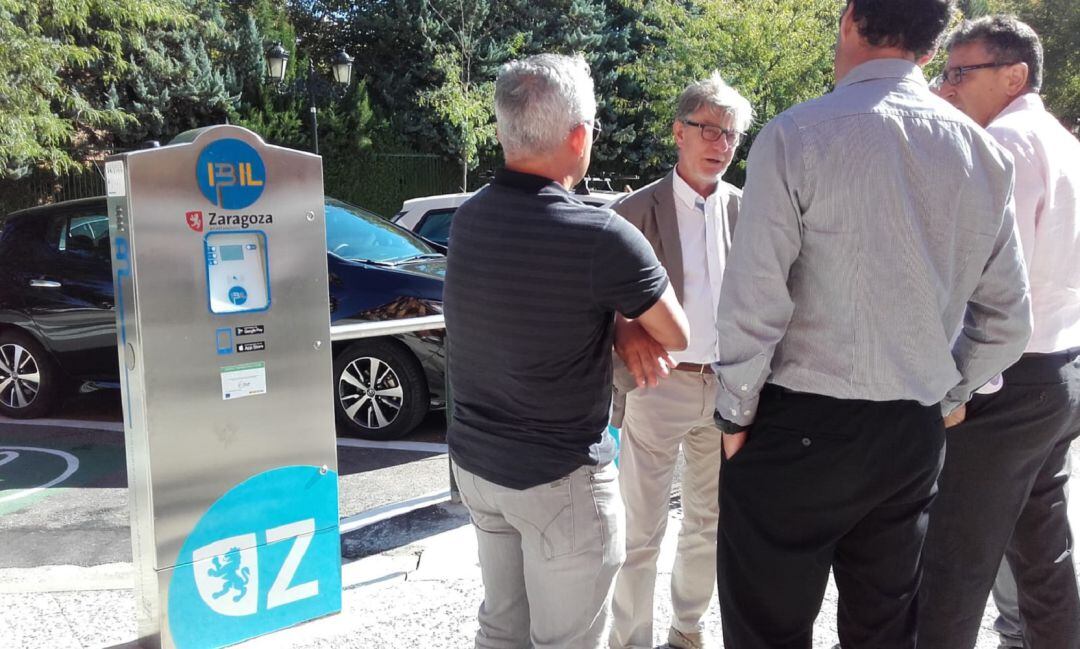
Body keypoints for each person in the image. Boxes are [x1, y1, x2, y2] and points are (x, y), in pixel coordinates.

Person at [708, 1, 1033, 647]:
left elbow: (755, 298)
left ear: (850, 18)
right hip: (909, 428)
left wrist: (735, 413)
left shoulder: (798, 134)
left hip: (798, 421)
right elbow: (1008, 320)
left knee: (767, 628)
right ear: (933, 48)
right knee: (884, 630)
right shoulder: (983, 153)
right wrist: (948, 391)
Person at [443, 53, 689, 649]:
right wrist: (620, 321)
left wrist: (607, 318)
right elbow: (676, 334)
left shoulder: (466, 220)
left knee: (500, 629)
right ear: (579, 135)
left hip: (478, 468)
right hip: (560, 481)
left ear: (504, 130)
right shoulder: (602, 235)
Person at [920, 16, 1080, 649]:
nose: (949, 85)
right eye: (946, 71)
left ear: (1013, 76)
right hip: (1061, 370)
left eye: (962, 72)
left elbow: (981, 287)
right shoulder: (1066, 144)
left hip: (1006, 381)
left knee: (951, 565)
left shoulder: (1004, 146)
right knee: (1043, 550)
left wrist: (953, 387)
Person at [606, 72, 753, 649]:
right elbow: (600, 299)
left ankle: (686, 632)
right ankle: (629, 641)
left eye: (732, 135)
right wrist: (624, 331)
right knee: (640, 530)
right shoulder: (634, 210)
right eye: (709, 130)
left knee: (707, 526)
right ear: (679, 132)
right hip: (658, 385)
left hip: (727, 390)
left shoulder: (748, 209)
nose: (720, 144)